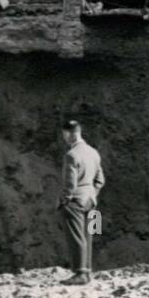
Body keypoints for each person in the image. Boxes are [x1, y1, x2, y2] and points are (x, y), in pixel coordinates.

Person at [58, 117, 105, 285]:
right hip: (91, 200)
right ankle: (87, 270)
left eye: (64, 134)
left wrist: (65, 200)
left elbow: (70, 184)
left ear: (68, 134)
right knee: (88, 235)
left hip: (75, 201)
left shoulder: (71, 155)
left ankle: (80, 273)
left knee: (76, 237)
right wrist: (93, 193)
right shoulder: (93, 152)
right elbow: (100, 180)